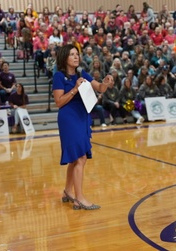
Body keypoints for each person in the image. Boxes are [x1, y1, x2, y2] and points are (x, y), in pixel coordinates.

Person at [52, 44, 112, 210]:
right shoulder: (58, 76)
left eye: (77, 54)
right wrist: (75, 88)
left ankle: (67, 192)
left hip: (82, 117)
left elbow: (99, 87)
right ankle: (79, 198)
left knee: (75, 157)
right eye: (72, 54)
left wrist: (105, 82)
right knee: (80, 158)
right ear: (65, 58)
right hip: (69, 119)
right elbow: (58, 102)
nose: (76, 57)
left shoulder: (82, 73)